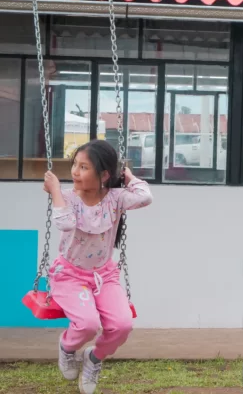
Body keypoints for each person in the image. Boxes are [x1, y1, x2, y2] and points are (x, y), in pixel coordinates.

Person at [43, 139, 153, 394]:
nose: (75, 172)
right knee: (88, 324)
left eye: (84, 167)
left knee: (123, 325)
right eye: (75, 165)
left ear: (104, 175)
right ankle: (68, 347)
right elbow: (65, 223)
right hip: (70, 276)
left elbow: (146, 197)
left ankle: (94, 358)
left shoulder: (115, 199)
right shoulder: (68, 198)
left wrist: (128, 177)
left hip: (104, 276)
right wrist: (56, 190)